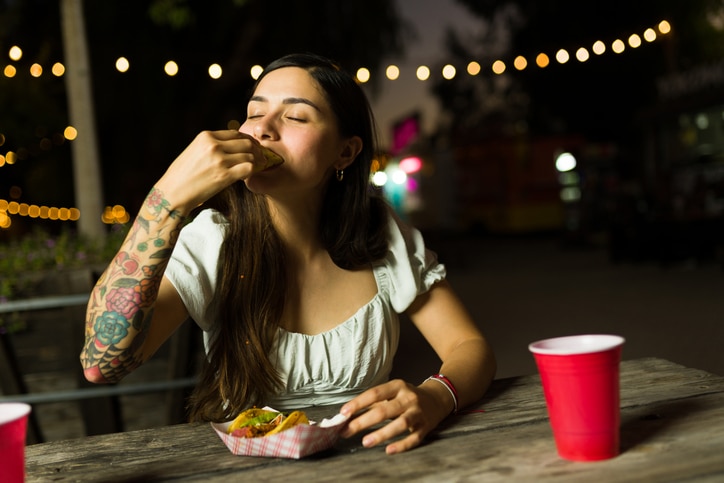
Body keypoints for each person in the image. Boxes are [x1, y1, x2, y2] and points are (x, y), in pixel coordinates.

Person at [81, 53, 496, 455]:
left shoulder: (378, 231)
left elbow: (469, 345)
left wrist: (435, 397)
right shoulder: (213, 239)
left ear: (345, 153)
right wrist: (165, 202)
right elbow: (102, 364)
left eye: (295, 116)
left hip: (374, 462)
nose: (262, 130)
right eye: (254, 113)